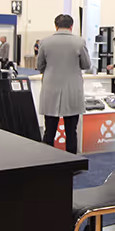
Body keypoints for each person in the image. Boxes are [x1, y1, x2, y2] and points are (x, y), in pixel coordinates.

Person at [38, 14, 91, 153]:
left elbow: (39, 66)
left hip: (50, 89)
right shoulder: (79, 42)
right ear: (71, 26)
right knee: (71, 131)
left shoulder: (45, 42)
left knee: (49, 130)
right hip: (72, 90)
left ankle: (46, 159)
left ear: (55, 26)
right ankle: (71, 161)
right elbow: (86, 65)